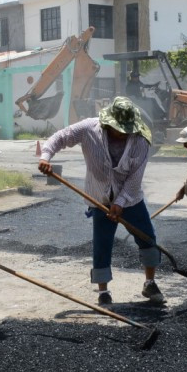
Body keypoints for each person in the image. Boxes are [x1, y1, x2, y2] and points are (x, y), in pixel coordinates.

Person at [37, 96, 164, 305]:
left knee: (148, 239)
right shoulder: (88, 129)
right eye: (119, 129)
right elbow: (60, 137)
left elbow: (134, 179)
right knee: (102, 245)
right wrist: (45, 157)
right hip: (99, 199)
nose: (123, 133)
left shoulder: (141, 140)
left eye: (127, 129)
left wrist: (120, 203)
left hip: (131, 200)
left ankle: (150, 283)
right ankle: (103, 292)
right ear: (108, 123)